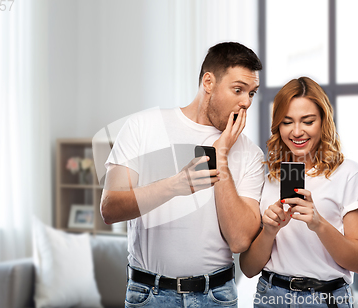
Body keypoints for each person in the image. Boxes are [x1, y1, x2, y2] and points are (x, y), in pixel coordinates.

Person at [100, 42, 265, 308]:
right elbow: (110, 209)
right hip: (149, 294)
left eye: (252, 93)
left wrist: (220, 154)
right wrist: (176, 185)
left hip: (216, 295)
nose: (246, 102)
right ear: (208, 82)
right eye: (238, 90)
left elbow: (239, 240)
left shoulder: (250, 153)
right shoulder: (142, 127)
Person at [239, 77, 358, 308]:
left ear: (323, 121)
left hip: (325, 298)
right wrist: (269, 231)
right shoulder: (268, 178)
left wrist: (318, 223)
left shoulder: (348, 174)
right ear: (277, 126)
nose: (297, 131)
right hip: (271, 296)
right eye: (287, 122)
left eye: (308, 121)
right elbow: (249, 268)